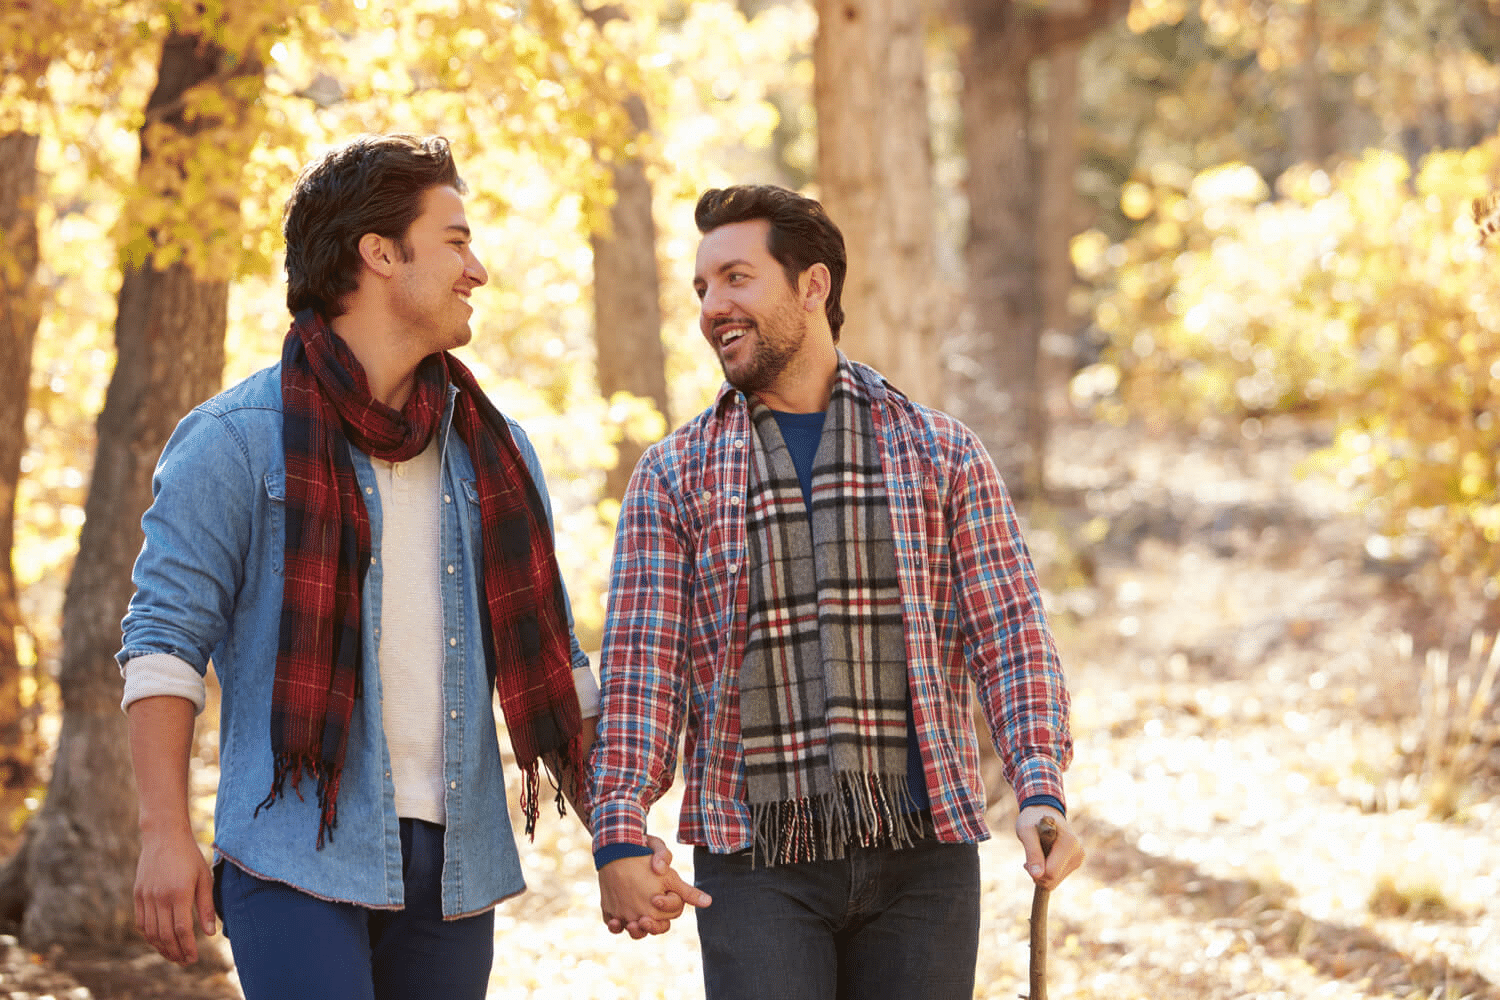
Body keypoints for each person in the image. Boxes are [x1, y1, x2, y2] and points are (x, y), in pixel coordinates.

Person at [119, 133, 700, 1000]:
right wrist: (163, 833)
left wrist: (614, 834)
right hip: (295, 856)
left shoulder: (496, 453)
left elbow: (553, 669)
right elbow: (163, 645)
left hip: (457, 870)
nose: (479, 270)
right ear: (380, 253)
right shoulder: (236, 440)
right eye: (456, 241)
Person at [590, 184, 1084, 999]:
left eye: (737, 278)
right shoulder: (673, 475)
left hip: (925, 856)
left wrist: (1039, 786)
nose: (714, 306)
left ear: (812, 286)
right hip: (754, 862)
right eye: (703, 288)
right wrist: (618, 829)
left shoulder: (938, 451)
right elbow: (646, 674)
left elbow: (1012, 634)